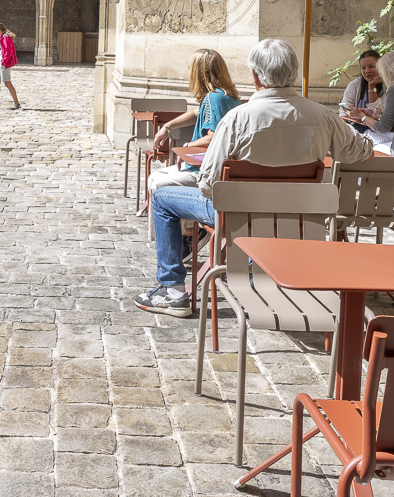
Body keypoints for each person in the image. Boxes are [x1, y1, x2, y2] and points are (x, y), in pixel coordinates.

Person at [135, 38, 373, 317]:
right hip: (299, 217)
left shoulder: (237, 119)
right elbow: (362, 151)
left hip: (242, 216)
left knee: (162, 197)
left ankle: (173, 291)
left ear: (256, 76)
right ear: (293, 72)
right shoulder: (321, 115)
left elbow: (209, 185)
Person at [144, 49, 242, 202]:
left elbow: (213, 138)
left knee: (157, 184)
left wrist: (187, 146)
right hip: (216, 168)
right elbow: (197, 113)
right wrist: (167, 127)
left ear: (200, 73)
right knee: (154, 177)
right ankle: (187, 226)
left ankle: (185, 225)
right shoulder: (227, 96)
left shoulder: (213, 99)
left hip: (204, 170)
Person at [338, 48, 384, 131]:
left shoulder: (389, 86)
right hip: (356, 130)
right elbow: (344, 113)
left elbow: (378, 112)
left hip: (380, 132)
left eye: (371, 66)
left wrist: (371, 86)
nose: (367, 71)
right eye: (363, 68)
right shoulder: (355, 85)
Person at [0, 22, 21, 110]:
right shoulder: (0, 37)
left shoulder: (6, 37)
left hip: (4, 63)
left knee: (7, 83)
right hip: (0, 62)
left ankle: (16, 103)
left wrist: (3, 62)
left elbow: (8, 51)